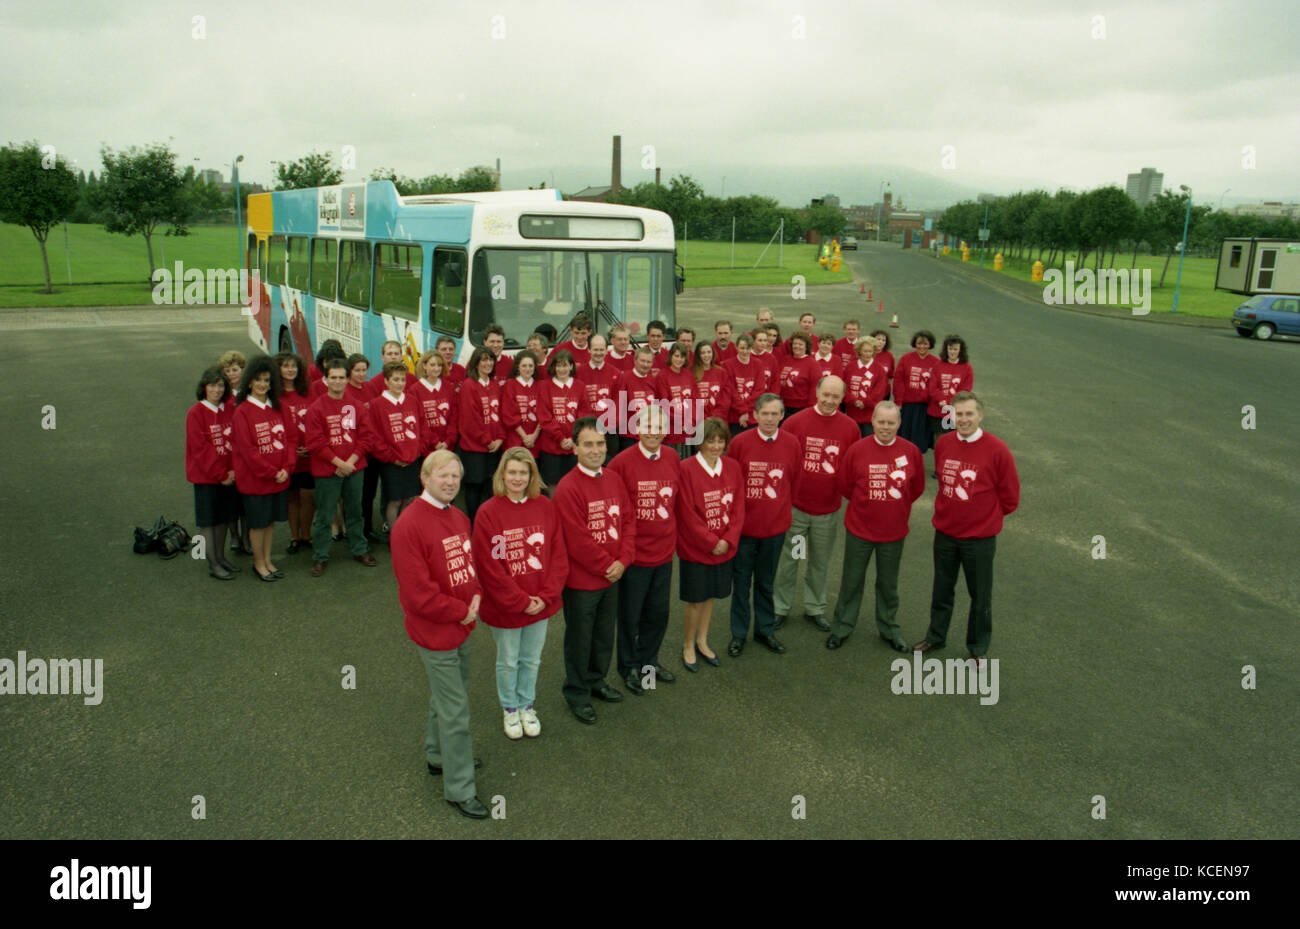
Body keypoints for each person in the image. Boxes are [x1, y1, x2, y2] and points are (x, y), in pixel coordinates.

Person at [390, 450, 488, 820]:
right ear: (425, 477)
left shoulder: (459, 517)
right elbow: (418, 597)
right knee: (455, 708)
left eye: (455, 477)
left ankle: (437, 755)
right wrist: (462, 610)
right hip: (436, 632)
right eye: (443, 476)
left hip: (462, 625)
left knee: (448, 696)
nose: (450, 483)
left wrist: (475, 593)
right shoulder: (409, 526)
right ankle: (460, 788)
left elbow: (467, 562)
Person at [915, 392, 1019, 668]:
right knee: (942, 588)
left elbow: (1010, 498)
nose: (963, 419)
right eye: (958, 414)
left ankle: (977, 647)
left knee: (980, 595)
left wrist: (984, 519)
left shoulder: (998, 450)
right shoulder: (945, 444)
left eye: (968, 414)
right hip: (946, 533)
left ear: (980, 415)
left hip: (979, 539)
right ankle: (936, 636)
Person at [472, 448, 568, 739]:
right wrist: (520, 601)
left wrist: (545, 596)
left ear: (531, 476)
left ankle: (527, 703)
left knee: (532, 659)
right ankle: (510, 708)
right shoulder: (489, 512)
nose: (517, 478)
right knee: (508, 659)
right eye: (511, 472)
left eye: (523, 473)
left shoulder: (545, 507)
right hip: (508, 606)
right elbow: (491, 567)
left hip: (540, 602)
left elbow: (558, 556)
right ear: (502, 474)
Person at [553, 417, 636, 724]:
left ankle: (596, 679)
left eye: (600, 443)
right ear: (575, 448)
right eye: (588, 444)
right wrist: (608, 565)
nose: (595, 449)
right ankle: (576, 692)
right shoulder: (567, 488)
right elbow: (578, 541)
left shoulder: (613, 478)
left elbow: (628, 522)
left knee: (603, 635)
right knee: (580, 638)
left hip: (613, 575)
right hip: (583, 581)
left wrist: (623, 561)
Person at [827, 402, 924, 652]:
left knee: (888, 584)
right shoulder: (857, 450)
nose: (885, 427)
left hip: (893, 532)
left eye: (891, 422)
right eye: (881, 421)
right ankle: (842, 627)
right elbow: (845, 485)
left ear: (899, 424)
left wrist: (894, 507)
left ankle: (889, 628)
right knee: (851, 580)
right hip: (860, 530)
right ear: (872, 420)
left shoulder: (911, 451)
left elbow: (915, 488)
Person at [774, 376, 859, 630]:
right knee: (790, 559)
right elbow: (781, 461)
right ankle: (781, 606)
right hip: (798, 510)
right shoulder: (795, 423)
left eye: (835, 397)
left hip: (827, 512)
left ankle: (814, 607)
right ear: (817, 392)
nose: (830, 401)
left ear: (842, 398)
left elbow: (852, 467)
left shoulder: (850, 428)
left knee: (819, 561)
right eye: (826, 395)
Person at [607, 405, 679, 695]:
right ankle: (629, 667)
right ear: (637, 430)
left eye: (658, 427)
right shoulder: (621, 463)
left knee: (658, 614)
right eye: (647, 427)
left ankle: (649, 662)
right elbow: (615, 511)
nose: (653, 433)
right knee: (630, 615)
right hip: (635, 557)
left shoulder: (673, 457)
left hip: (664, 554)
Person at [726, 393, 799, 655]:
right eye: (764, 413)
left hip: (775, 529)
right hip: (744, 530)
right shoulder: (740, 442)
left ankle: (765, 630)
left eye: (774, 414)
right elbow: (731, 484)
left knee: (766, 583)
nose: (769, 419)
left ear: (782, 416)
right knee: (742, 582)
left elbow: (795, 479)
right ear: (755, 415)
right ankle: (738, 634)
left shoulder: (792, 443)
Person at [675, 417, 744, 671]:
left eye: (720, 441)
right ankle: (688, 644)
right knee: (696, 599)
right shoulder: (686, 469)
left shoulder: (733, 467)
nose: (715, 446)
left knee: (712, 596)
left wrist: (728, 539)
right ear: (699, 443)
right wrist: (710, 541)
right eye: (710, 441)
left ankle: (703, 641)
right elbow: (686, 514)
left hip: (723, 547)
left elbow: (738, 508)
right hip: (697, 549)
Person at [304, 358, 378, 576]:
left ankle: (359, 549)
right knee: (325, 515)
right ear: (325, 380)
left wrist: (350, 463)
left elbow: (366, 437)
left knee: (355, 511)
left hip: (354, 468)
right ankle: (320, 556)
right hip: (328, 471)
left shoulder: (355, 406)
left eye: (341, 377)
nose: (337, 381)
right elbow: (315, 442)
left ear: (347, 379)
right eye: (333, 377)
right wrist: (338, 463)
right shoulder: (316, 409)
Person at [231, 356, 296, 582]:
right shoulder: (242, 412)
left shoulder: (278, 407)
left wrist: (287, 468)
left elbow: (291, 440)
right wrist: (271, 472)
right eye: (258, 380)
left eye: (266, 380)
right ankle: (258, 563)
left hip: (280, 477)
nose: (262, 384)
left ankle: (268, 560)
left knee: (269, 522)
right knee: (257, 524)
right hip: (257, 481)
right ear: (249, 382)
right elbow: (248, 451)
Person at [185, 366, 240, 580]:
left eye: (220, 386)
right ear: (204, 387)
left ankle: (220, 556)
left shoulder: (228, 409)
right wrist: (221, 474)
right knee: (208, 522)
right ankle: (212, 564)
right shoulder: (196, 413)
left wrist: (233, 470)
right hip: (208, 477)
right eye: (212, 385)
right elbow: (201, 450)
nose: (217, 390)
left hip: (229, 475)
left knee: (223, 519)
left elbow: (235, 440)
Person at [368, 361, 424, 534]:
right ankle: (394, 534)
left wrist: (416, 452)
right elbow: (374, 437)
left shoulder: (413, 401)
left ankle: (405, 532)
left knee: (410, 498)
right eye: (395, 379)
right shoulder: (377, 404)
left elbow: (421, 429)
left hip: (412, 459)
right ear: (386, 381)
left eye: (402, 379)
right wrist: (393, 458)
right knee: (394, 501)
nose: (400, 383)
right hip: (392, 461)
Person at [457, 347, 505, 521]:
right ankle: (474, 524)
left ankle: (488, 523)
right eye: (483, 360)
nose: (488, 363)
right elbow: (470, 420)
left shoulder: (494, 384)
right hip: (475, 447)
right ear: (476, 363)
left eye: (490, 360)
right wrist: (487, 440)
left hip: (493, 447)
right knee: (474, 487)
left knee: (491, 487)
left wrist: (500, 438)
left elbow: (499, 414)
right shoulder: (469, 385)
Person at [275, 352, 315, 553]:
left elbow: (318, 420)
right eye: (285, 366)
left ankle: (307, 535)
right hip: (287, 457)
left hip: (308, 455)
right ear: (278, 369)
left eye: (293, 366)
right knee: (292, 498)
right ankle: (294, 537)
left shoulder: (307, 391)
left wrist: (311, 445)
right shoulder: (274, 396)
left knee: (308, 497)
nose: (290, 370)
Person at [537, 349, 585, 489]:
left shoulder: (580, 386)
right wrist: (560, 438)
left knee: (574, 485)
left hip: (573, 446)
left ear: (571, 366)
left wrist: (572, 438)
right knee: (552, 485)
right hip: (551, 447)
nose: (562, 369)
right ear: (554, 367)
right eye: (558, 365)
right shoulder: (545, 386)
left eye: (565, 365)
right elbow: (544, 417)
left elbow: (583, 414)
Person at [893, 329, 938, 452]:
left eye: (925, 344)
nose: (922, 347)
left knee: (919, 438)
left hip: (924, 407)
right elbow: (898, 381)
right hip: (907, 406)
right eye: (919, 343)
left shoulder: (935, 362)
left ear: (930, 345)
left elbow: (935, 385)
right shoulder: (906, 358)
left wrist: (926, 397)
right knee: (904, 436)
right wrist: (898, 401)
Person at [926, 334, 974, 450]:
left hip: (956, 410)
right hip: (939, 410)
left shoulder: (967, 367)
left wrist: (952, 402)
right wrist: (942, 400)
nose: (952, 352)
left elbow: (966, 389)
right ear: (946, 349)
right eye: (950, 349)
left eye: (955, 349)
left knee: (956, 440)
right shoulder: (938, 365)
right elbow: (932, 387)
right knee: (940, 440)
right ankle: (939, 467)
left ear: (960, 350)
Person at [579, 334, 620, 463]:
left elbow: (619, 402)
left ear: (607, 351)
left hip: (609, 430)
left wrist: (606, 425)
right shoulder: (579, 372)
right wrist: (590, 425)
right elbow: (578, 403)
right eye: (595, 349)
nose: (598, 353)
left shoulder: (615, 373)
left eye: (601, 349)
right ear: (589, 350)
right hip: (587, 429)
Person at [612, 345, 660, 453]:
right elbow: (618, 406)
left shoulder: (653, 380)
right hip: (630, 436)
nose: (645, 364)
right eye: (642, 361)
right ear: (635, 360)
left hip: (649, 435)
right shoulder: (624, 378)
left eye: (648, 362)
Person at [411, 350, 458, 456]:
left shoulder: (449, 387)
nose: (436, 368)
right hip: (427, 448)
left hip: (448, 446)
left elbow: (454, 416)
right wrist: (434, 441)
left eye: (439, 365)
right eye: (432, 365)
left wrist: (448, 440)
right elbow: (418, 421)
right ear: (424, 365)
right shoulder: (415, 390)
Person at [843, 337, 890, 436]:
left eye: (870, 351)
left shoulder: (879, 369)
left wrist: (865, 403)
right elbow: (844, 388)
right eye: (865, 351)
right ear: (859, 351)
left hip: (870, 415)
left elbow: (879, 391)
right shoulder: (850, 367)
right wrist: (853, 401)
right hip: (852, 413)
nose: (867, 354)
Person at [723, 333, 768, 435]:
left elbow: (759, 390)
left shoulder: (758, 364)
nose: (745, 351)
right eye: (742, 348)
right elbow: (731, 391)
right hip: (735, 416)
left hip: (752, 416)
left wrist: (746, 411)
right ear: (736, 347)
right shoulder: (727, 365)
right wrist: (742, 411)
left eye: (748, 348)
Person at [500, 350, 542, 455]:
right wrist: (524, 437)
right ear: (517, 367)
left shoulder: (541, 386)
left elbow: (544, 413)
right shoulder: (510, 384)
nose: (527, 369)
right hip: (515, 441)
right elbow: (508, 414)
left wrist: (534, 436)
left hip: (536, 441)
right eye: (524, 366)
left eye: (530, 366)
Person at [656, 343, 695, 456]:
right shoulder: (663, 376)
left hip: (687, 430)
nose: (679, 359)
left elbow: (695, 401)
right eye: (676, 356)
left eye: (682, 356)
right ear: (671, 356)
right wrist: (680, 422)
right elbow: (664, 404)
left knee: (686, 464)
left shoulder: (689, 375)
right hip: (672, 430)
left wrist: (690, 421)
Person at [693, 341, 731, 432]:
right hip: (698, 423)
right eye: (703, 353)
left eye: (709, 352)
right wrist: (703, 419)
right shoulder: (691, 373)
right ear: (698, 355)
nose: (706, 355)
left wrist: (714, 417)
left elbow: (725, 399)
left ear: (713, 354)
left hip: (718, 421)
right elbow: (691, 401)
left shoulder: (721, 372)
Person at [777, 331, 815, 419]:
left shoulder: (812, 364)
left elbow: (815, 388)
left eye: (800, 344)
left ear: (806, 346)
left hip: (801, 408)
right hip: (782, 406)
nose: (797, 346)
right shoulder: (785, 359)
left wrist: (810, 410)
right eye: (795, 343)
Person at [808, 331, 842, 400]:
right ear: (818, 344)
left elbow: (838, 379)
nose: (825, 346)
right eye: (823, 343)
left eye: (829, 344)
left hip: (829, 397)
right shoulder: (810, 358)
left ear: (832, 347)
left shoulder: (837, 360)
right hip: (811, 397)